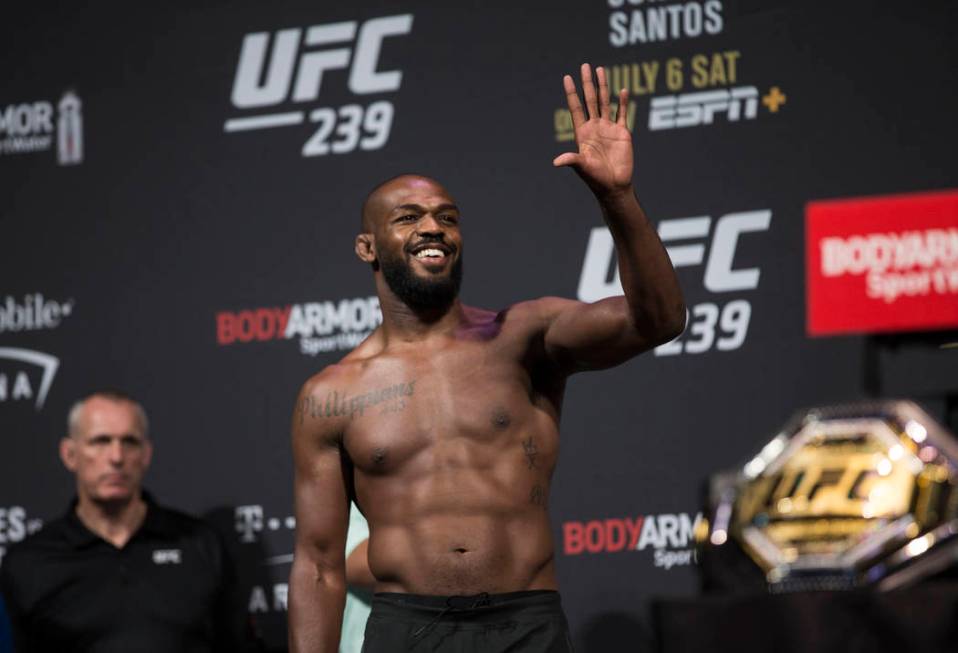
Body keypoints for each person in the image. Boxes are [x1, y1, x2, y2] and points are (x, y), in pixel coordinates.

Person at [288, 64, 686, 652]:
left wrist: (617, 198)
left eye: (447, 217)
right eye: (409, 218)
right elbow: (320, 565)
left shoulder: (523, 337)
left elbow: (659, 320)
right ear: (366, 247)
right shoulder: (331, 395)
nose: (434, 227)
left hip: (525, 625)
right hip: (407, 631)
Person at [0, 390, 250, 652]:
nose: (116, 457)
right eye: (100, 441)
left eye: (129, 442)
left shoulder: (201, 545)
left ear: (146, 455)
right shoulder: (29, 563)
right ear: (69, 454)